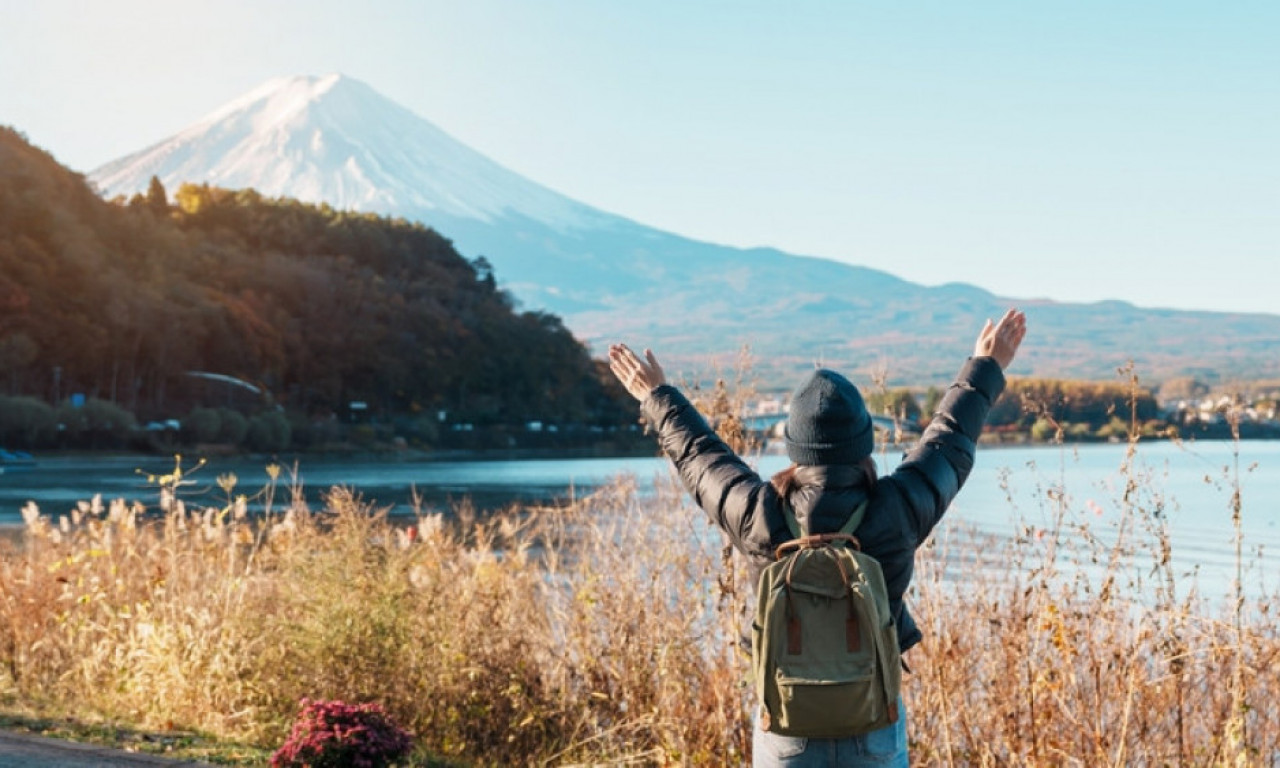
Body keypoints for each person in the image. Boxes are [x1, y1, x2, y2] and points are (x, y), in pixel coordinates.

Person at [608, 309, 1027, 767]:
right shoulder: (897, 509)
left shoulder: (758, 514)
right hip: (873, 722)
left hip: (788, 728)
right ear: (864, 442)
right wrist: (985, 367)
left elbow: (700, 457)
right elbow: (949, 440)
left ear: (794, 446)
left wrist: (655, 394)